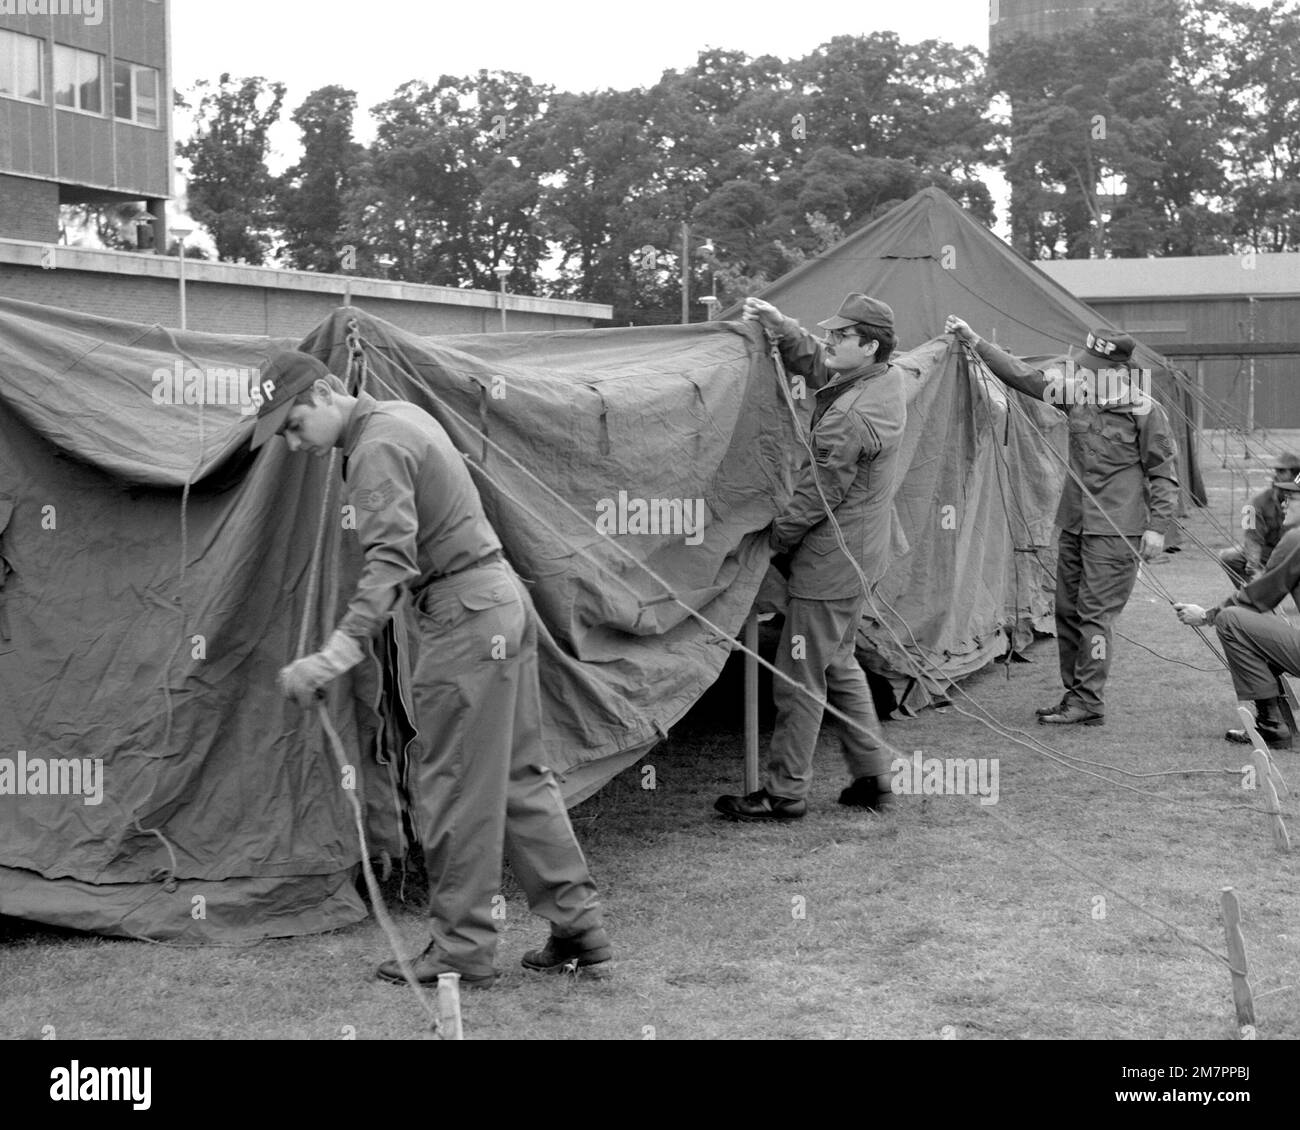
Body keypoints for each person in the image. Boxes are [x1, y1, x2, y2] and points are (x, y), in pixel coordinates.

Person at [250, 351, 609, 987]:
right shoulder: (402, 416)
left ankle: (462, 952)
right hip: (498, 599)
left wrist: (338, 651)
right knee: (519, 777)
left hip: (465, 617)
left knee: (455, 788)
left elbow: (390, 562)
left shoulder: (375, 448)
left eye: (293, 425)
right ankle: (578, 926)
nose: (292, 442)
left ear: (326, 394)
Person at [714, 293, 907, 822]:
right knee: (838, 662)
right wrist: (781, 327)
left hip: (831, 561)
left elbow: (817, 498)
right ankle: (874, 777)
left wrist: (768, 541)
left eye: (843, 335)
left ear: (868, 345)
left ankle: (784, 793)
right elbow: (820, 362)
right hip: (861, 553)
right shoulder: (880, 378)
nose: (831, 341)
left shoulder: (852, 414)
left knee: (798, 675)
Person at [945, 317, 1179, 726]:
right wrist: (975, 339)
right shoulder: (1077, 396)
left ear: (1122, 371)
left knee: (1095, 616)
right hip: (1075, 523)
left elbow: (1164, 473)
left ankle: (1089, 701)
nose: (1085, 374)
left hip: (1116, 530)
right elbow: (1026, 378)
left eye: (1096, 370)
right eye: (1085, 367)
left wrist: (1158, 527)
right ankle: (1075, 694)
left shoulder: (1145, 412)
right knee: (1067, 611)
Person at [1175, 513, 1300, 751]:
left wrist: (1205, 616)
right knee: (1259, 623)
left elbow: (1260, 595)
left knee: (1231, 620)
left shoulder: (1297, 538)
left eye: (1293, 496)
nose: (1283, 503)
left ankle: (1271, 726)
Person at [1218, 452, 1300, 588]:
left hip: (1296, 552)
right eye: (1275, 470)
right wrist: (1253, 561)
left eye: (1281, 471)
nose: (1276, 475)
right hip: (1270, 551)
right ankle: (1251, 597)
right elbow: (1252, 537)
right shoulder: (1256, 502)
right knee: (1229, 557)